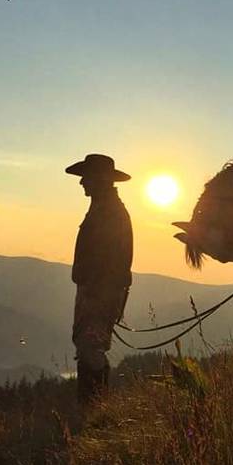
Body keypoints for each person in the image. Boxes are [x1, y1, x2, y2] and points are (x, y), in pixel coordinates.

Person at [65, 153, 133, 405]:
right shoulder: (107, 209)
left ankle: (93, 410)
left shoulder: (109, 213)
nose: (82, 182)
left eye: (86, 177)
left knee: (90, 349)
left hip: (98, 294)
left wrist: (98, 295)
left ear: (100, 179)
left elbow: (113, 261)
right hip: (97, 293)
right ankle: (94, 410)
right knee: (90, 348)